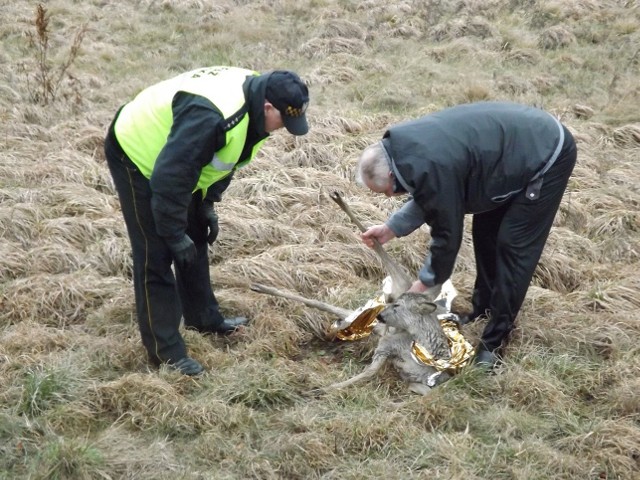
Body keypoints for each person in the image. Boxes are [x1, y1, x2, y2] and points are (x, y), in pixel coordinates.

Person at [104, 66, 310, 375]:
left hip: (179, 157)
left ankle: (203, 317)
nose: (284, 129)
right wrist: (173, 233)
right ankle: (167, 353)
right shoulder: (214, 116)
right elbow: (169, 179)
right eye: (285, 120)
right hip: (137, 154)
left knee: (196, 231)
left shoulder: (258, 99)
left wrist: (207, 204)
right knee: (156, 252)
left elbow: (224, 158)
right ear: (268, 106)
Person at [356, 101, 577, 369]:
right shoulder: (404, 151)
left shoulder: (430, 164)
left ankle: (494, 343)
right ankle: (482, 311)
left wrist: (425, 285)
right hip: (502, 159)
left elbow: (446, 235)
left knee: (513, 246)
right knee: (485, 233)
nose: (391, 196)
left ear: (390, 173)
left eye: (386, 191)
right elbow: (431, 193)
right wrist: (391, 228)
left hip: (545, 154)